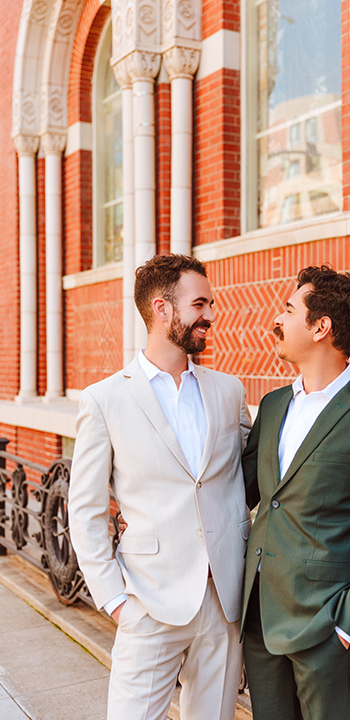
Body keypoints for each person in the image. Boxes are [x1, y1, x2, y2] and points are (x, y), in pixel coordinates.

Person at [68, 254, 251, 720]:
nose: (210, 315)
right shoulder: (105, 400)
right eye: (200, 304)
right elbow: (85, 511)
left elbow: (254, 475)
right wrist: (115, 601)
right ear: (162, 309)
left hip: (223, 602)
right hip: (147, 603)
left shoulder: (229, 392)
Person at [241, 265, 350, 720]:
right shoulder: (274, 405)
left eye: (287, 309)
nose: (276, 320)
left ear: (321, 327)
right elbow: (240, 492)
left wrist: (349, 625)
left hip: (325, 628)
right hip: (259, 619)